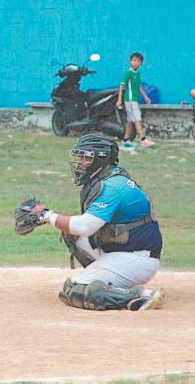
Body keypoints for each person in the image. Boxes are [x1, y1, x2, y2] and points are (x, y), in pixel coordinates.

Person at [15, 133, 164, 311]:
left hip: (138, 258)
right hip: (126, 250)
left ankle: (141, 296)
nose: (80, 163)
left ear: (100, 159)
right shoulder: (110, 178)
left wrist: (46, 216)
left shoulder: (113, 187)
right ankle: (104, 277)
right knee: (71, 234)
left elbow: (85, 226)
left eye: (85, 158)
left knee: (77, 291)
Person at [116, 52, 155, 151]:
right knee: (137, 119)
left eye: (138, 61)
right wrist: (119, 100)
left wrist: (145, 97)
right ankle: (143, 140)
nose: (136, 62)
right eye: (134, 60)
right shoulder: (128, 73)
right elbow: (122, 86)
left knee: (131, 121)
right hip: (130, 100)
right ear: (130, 62)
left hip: (135, 99)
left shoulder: (138, 74)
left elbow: (139, 87)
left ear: (141, 63)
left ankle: (125, 141)